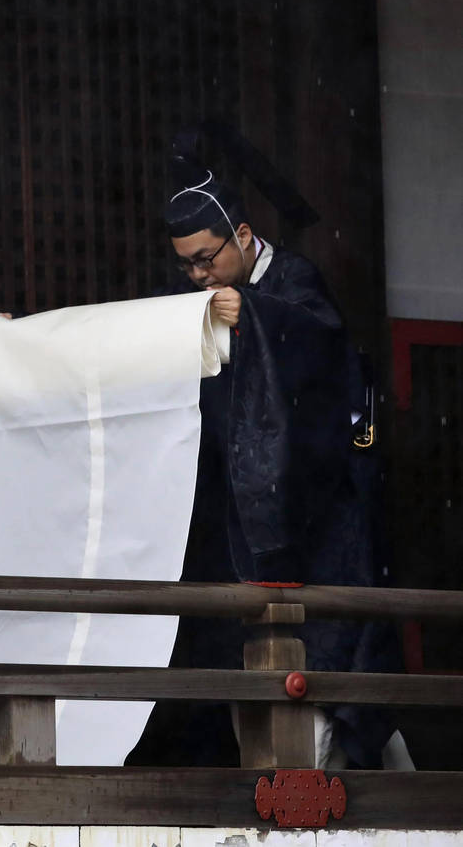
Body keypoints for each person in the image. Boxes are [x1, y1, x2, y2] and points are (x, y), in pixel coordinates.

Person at [126, 168, 397, 769]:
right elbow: (128, 340)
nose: (198, 275)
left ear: (243, 236)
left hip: (312, 515)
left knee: (325, 669)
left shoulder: (295, 282)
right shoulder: (194, 301)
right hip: (236, 515)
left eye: (206, 259)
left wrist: (253, 313)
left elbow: (325, 355)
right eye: (186, 265)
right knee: (237, 669)